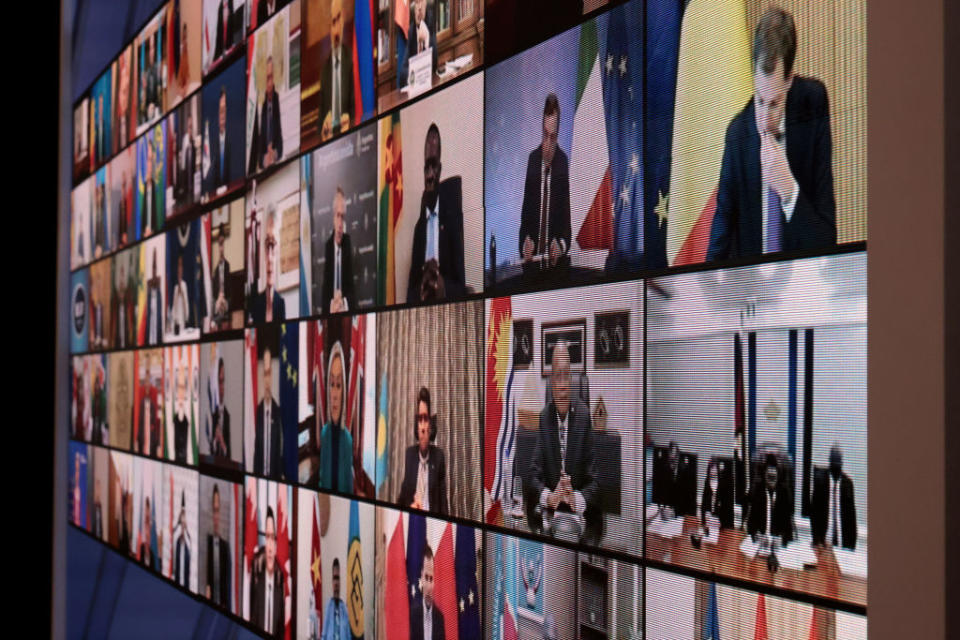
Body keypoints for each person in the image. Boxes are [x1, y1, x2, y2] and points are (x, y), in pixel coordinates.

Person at [706, 8, 836, 261]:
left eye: (774, 103)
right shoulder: (737, 133)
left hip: (804, 284)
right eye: (760, 100)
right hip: (753, 288)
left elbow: (826, 242)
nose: (764, 121)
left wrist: (788, 190)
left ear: (789, 79)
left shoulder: (813, 101)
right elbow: (720, 234)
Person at [527, 341, 599, 538]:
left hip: (578, 519)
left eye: (566, 374)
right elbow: (533, 476)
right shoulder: (544, 417)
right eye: (557, 375)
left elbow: (595, 481)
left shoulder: (584, 417)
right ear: (551, 381)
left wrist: (576, 497)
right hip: (552, 517)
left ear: (571, 378)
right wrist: (549, 497)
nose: (562, 383)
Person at [407, 124, 465, 302]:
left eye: (434, 168)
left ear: (440, 170)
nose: (430, 175)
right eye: (426, 168)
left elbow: (461, 287)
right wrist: (422, 288)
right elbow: (409, 294)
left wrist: (442, 287)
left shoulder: (452, 221)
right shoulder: (419, 228)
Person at [519, 94, 571, 271]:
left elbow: (566, 226)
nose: (548, 145)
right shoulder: (532, 160)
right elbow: (525, 218)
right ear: (541, 129)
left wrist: (561, 246)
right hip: (532, 269)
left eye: (553, 137)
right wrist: (524, 244)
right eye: (545, 135)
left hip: (556, 271)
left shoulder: (563, 161)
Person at [398, 387, 448, 515]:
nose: (423, 427)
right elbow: (402, 499)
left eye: (426, 419)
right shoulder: (409, 455)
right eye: (420, 420)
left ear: (431, 425)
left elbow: (443, 504)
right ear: (416, 425)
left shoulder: (439, 458)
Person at [317, 342, 354, 493]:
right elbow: (322, 480)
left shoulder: (347, 440)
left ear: (344, 391)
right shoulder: (324, 434)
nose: (334, 395)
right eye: (332, 384)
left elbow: (349, 488)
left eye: (338, 385)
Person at [810, 444, 858, 550]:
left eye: (839, 464)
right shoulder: (820, 482)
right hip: (824, 543)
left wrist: (852, 545)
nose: (837, 467)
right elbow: (814, 514)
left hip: (843, 544)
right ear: (829, 463)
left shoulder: (847, 484)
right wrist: (816, 541)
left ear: (842, 464)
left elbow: (851, 516)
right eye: (834, 464)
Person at [320, 0, 353, 141]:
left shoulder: (352, 59)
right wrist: (323, 127)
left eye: (338, 19)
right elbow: (319, 123)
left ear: (344, 19)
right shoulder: (325, 70)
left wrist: (350, 118)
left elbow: (360, 108)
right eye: (332, 23)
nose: (336, 28)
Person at [250, 506, 285, 637]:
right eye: (267, 537)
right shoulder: (256, 583)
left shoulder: (280, 587)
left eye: (273, 538)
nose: (269, 547)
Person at [321, 188, 357, 314]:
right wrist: (332, 306)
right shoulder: (328, 247)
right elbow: (324, 295)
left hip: (345, 309)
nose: (341, 222)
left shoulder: (348, 243)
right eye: (338, 216)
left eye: (343, 217)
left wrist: (343, 304)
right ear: (333, 218)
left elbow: (352, 292)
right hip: (331, 311)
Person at [747, 453, 795, 547]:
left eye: (774, 471)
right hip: (760, 544)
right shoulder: (757, 492)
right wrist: (756, 535)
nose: (772, 474)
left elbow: (788, 528)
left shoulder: (784, 494)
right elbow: (751, 523)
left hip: (777, 545)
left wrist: (782, 539)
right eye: (768, 473)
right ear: (764, 475)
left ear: (778, 474)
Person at [249, 206, 286, 323]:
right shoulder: (255, 303)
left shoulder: (281, 304)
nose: (269, 257)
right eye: (267, 245)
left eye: (273, 245)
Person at [254, 345, 283, 478]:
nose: (267, 379)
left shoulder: (277, 412)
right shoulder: (257, 412)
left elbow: (278, 453)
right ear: (262, 376)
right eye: (265, 374)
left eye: (269, 373)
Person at [652, 441, 697, 518]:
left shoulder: (685, 470)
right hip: (666, 508)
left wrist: (675, 512)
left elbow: (687, 498)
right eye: (670, 452)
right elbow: (661, 490)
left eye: (674, 453)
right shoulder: (664, 467)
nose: (672, 455)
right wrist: (662, 507)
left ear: (678, 454)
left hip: (679, 510)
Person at [410, 545, 445, 640]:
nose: (429, 586)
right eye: (426, 578)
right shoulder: (413, 615)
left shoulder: (440, 618)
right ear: (421, 577)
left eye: (431, 579)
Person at [206, 484, 231, 607]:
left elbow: (226, 583)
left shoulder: (225, 547)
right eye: (214, 511)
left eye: (218, 511)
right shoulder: (207, 543)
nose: (216, 517)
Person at [257, 55, 283, 171]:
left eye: (271, 77)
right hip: (264, 170)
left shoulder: (279, 100)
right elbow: (256, 155)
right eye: (267, 78)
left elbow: (281, 146)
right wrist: (264, 159)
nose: (269, 83)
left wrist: (274, 154)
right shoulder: (260, 106)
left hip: (278, 166)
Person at [403, 0, 437, 87]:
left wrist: (427, 39)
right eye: (417, 3)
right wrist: (416, 74)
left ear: (427, 5)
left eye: (422, 2)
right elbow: (403, 73)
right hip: (416, 87)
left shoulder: (432, 25)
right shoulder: (411, 31)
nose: (419, 8)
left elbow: (434, 65)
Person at [700, 458, 735, 531]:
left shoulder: (722, 483)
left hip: (719, 520)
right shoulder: (707, 482)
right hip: (709, 519)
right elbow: (704, 502)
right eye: (711, 468)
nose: (713, 471)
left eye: (715, 468)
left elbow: (726, 504)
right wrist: (703, 520)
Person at [320, 558, 350, 640]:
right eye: (334, 579)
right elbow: (324, 633)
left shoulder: (344, 607)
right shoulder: (329, 606)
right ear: (332, 582)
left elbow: (348, 634)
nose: (336, 583)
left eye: (338, 579)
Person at [209, 87, 231, 191]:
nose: (222, 113)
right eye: (220, 110)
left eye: (224, 109)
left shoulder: (233, 138)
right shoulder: (212, 141)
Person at [211, 227, 231, 329]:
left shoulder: (227, 265)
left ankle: (215, 320)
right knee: (216, 305)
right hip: (218, 298)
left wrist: (223, 296)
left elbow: (229, 288)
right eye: (219, 245)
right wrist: (219, 296)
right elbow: (214, 290)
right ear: (218, 247)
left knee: (224, 307)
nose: (221, 248)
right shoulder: (215, 269)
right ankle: (216, 320)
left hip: (226, 297)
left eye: (222, 245)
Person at [211, 358, 232, 458]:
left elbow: (229, 453)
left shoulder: (227, 415)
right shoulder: (211, 413)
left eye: (223, 381)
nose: (221, 387)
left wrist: (223, 444)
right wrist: (215, 440)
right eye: (219, 382)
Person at [169, 254, 191, 336]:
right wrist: (177, 293)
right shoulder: (175, 287)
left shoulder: (184, 285)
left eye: (181, 268)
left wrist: (182, 293)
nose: (180, 270)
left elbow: (186, 301)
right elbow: (173, 305)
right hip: (176, 317)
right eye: (178, 269)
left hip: (182, 315)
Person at [173, 359, 190, 463]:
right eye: (179, 387)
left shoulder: (189, 417)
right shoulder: (173, 417)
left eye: (183, 387)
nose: (181, 391)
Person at [145, 249, 163, 345]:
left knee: (157, 327)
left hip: (156, 312)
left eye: (155, 268)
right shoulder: (149, 282)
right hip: (151, 313)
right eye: (153, 268)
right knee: (150, 328)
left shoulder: (159, 280)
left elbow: (159, 301)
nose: (154, 270)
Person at [174, 492, 192, 588]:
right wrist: (178, 523)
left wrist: (185, 527)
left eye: (184, 524)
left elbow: (189, 543)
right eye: (182, 523)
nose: (182, 527)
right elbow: (173, 535)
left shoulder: (188, 543)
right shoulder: (176, 542)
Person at [140, 496, 158, 571]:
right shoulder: (140, 549)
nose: (147, 529)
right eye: (145, 522)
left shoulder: (153, 554)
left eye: (149, 523)